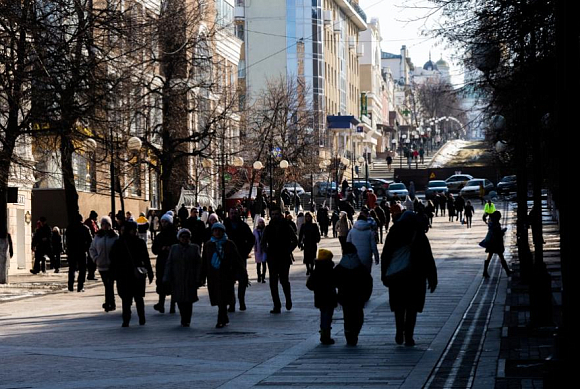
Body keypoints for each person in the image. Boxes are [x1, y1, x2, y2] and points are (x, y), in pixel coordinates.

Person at [381, 211, 438, 346]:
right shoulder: (418, 234)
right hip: (415, 277)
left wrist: (384, 275)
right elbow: (428, 257)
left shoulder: (393, 233)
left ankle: (399, 332)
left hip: (396, 277)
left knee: (399, 308)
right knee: (412, 308)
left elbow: (386, 255)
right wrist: (432, 278)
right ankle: (409, 336)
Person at [201, 222, 248, 328]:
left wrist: (243, 274)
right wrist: (202, 277)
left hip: (227, 275)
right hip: (213, 276)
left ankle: (220, 319)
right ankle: (224, 316)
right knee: (217, 298)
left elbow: (237, 260)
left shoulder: (229, 244)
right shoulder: (208, 245)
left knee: (223, 297)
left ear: (223, 232)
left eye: (219, 231)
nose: (217, 232)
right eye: (215, 230)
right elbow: (204, 262)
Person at [110, 221, 154, 327]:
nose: (136, 232)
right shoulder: (137, 242)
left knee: (128, 299)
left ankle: (128, 320)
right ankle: (139, 318)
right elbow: (146, 259)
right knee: (135, 298)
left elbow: (113, 260)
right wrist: (150, 272)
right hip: (133, 275)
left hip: (125, 275)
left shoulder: (119, 243)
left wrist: (112, 275)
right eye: (134, 230)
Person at [334, 242, 373, 346]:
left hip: (344, 297)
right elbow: (368, 282)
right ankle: (354, 333)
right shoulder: (361, 267)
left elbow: (333, 281)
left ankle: (349, 335)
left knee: (347, 317)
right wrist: (366, 295)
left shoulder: (340, 268)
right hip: (358, 297)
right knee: (359, 316)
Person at [261, 206, 298, 314]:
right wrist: (267, 250)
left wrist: (288, 250)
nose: (274, 216)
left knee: (284, 281)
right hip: (272, 258)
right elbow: (263, 242)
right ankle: (277, 305)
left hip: (284, 257)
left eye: (276, 214)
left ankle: (288, 299)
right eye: (272, 214)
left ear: (280, 215)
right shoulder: (268, 228)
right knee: (273, 282)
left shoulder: (286, 226)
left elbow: (294, 240)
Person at [163, 228, 202, 327]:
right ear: (179, 238)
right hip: (177, 278)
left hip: (190, 278)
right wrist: (166, 277)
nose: (185, 239)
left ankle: (187, 319)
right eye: (183, 237)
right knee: (179, 299)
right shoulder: (174, 248)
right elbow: (169, 263)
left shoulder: (194, 248)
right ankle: (183, 317)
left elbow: (199, 264)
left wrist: (198, 278)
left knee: (189, 301)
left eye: (187, 237)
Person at [224, 208, 255, 312]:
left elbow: (251, 239)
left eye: (235, 213)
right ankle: (231, 303)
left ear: (239, 214)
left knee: (242, 280)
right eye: (231, 213)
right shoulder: (225, 226)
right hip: (227, 258)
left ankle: (241, 300)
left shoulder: (243, 226)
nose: (233, 215)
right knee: (229, 282)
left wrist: (246, 251)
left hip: (240, 257)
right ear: (229, 214)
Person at [306, 249, 337, 345]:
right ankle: (326, 335)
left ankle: (324, 332)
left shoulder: (316, 271)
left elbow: (309, 284)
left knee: (324, 314)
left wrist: (317, 288)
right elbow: (336, 281)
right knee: (328, 315)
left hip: (320, 296)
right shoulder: (331, 270)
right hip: (330, 296)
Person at [89, 216, 119, 312]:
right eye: (103, 224)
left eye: (107, 224)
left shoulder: (115, 236)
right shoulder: (98, 236)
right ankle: (110, 303)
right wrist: (95, 258)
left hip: (112, 265)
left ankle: (110, 303)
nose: (105, 226)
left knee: (109, 284)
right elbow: (92, 249)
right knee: (107, 284)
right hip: (101, 265)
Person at [151, 213, 178, 314]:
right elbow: (154, 249)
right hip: (162, 262)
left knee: (172, 283)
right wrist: (161, 248)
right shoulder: (159, 236)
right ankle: (161, 304)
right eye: (162, 221)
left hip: (172, 261)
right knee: (161, 282)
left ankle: (172, 305)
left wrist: (170, 248)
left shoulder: (175, 234)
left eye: (165, 221)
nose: (163, 223)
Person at [66, 214, 93, 292]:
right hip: (82, 251)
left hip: (72, 251)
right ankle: (80, 286)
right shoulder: (85, 228)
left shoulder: (70, 228)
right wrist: (87, 249)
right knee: (82, 269)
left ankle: (70, 286)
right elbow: (90, 241)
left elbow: (67, 240)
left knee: (72, 269)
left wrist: (68, 249)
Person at [481, 211, 512, 278]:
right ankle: (507, 271)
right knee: (501, 256)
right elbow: (497, 233)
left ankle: (485, 271)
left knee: (490, 257)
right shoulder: (495, 223)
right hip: (496, 242)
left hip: (491, 243)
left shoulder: (491, 222)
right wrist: (503, 231)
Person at [253, 217, 267, 283]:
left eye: (262, 222)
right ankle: (259, 276)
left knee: (264, 263)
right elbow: (253, 240)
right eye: (260, 222)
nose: (261, 224)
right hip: (258, 250)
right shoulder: (255, 231)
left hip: (264, 249)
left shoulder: (266, 230)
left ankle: (263, 277)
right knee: (258, 264)